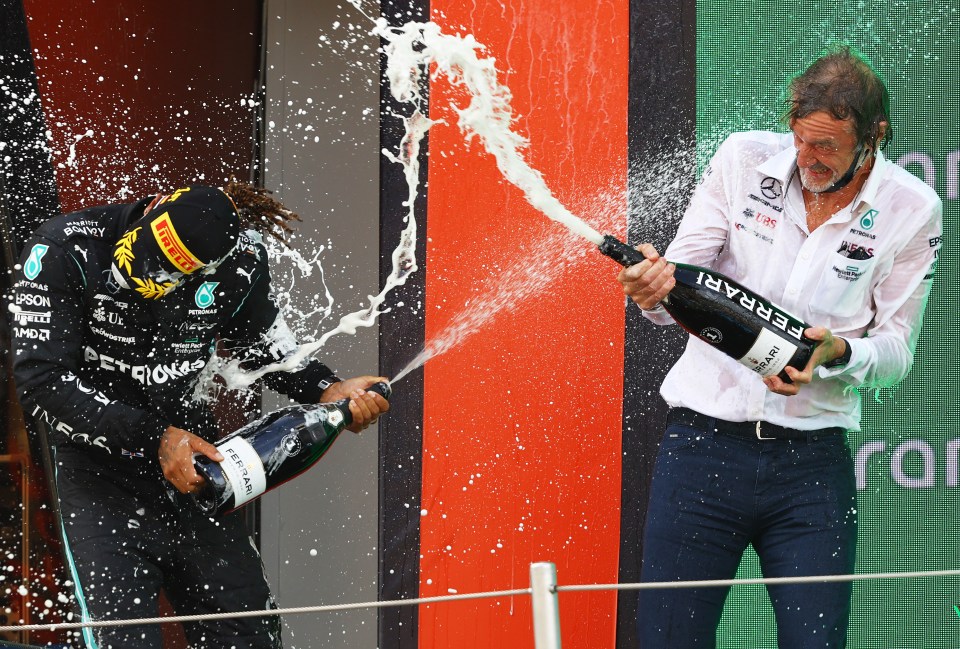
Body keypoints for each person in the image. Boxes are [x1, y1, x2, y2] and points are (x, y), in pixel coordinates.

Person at [617, 46, 941, 648]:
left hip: (811, 467)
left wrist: (838, 354)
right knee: (665, 641)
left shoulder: (912, 208)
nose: (808, 160)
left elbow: (897, 354)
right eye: (801, 141)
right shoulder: (743, 158)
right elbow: (682, 281)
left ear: (876, 136)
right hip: (701, 447)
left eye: (828, 148)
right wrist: (654, 291)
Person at [10, 180, 390, 648]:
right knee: (124, 642)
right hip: (98, 478)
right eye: (139, 259)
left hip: (197, 470)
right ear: (152, 208)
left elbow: (261, 347)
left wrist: (327, 388)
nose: (141, 278)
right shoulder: (66, 247)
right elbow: (40, 381)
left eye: (162, 276)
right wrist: (154, 437)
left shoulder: (241, 261)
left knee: (247, 636)